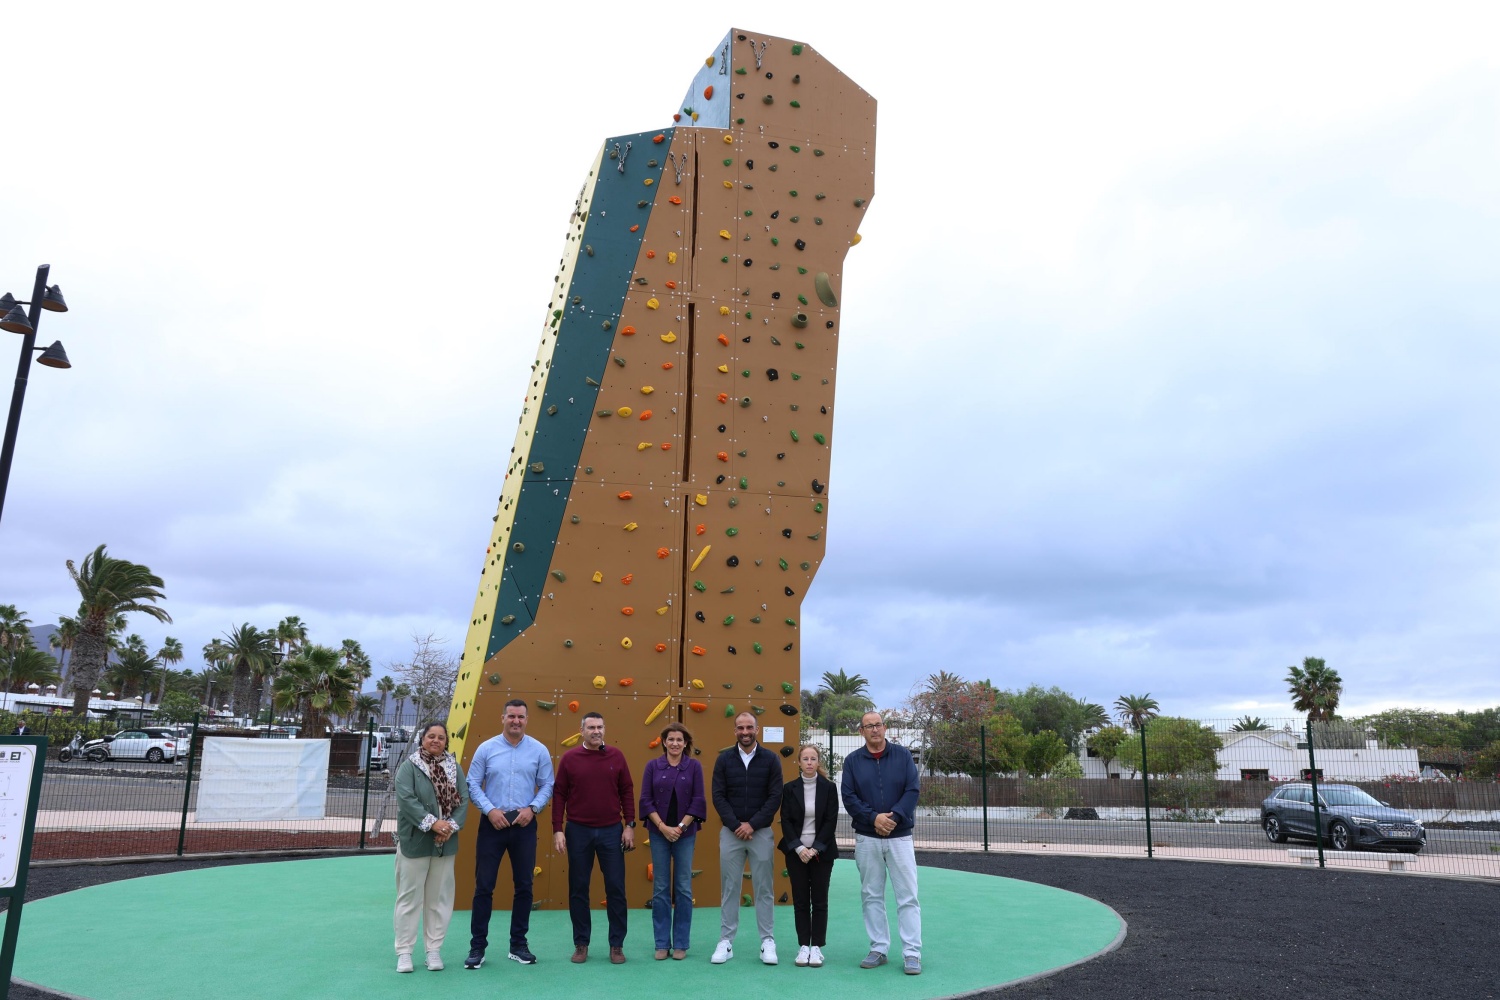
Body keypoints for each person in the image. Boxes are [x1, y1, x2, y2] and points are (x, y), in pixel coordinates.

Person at [464, 698, 555, 970]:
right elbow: (472, 783)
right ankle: (477, 948)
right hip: (492, 824)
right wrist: (490, 810)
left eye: (521, 717)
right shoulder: (486, 748)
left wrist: (533, 808)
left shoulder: (539, 750)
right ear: (502, 717)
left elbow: (548, 783)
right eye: (511, 716)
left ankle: (518, 945)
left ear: (527, 720)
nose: (516, 721)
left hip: (524, 824)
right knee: (484, 887)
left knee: (524, 887)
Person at [842, 711, 923, 975]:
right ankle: (878, 948)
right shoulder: (852, 761)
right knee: (871, 895)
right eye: (869, 726)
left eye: (877, 725)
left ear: (885, 728)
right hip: (867, 837)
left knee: (907, 896)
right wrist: (873, 818)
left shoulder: (903, 756)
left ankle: (912, 953)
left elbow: (912, 789)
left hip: (900, 837)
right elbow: (849, 796)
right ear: (861, 731)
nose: (874, 730)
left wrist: (895, 817)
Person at [552, 711, 635, 964]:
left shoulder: (616, 757)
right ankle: (581, 943)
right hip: (578, 831)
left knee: (616, 889)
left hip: (611, 831)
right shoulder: (569, 759)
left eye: (600, 726)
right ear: (582, 730)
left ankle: (617, 945)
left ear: (604, 729)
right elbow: (559, 795)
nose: (596, 731)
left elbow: (627, 791)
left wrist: (629, 825)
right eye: (591, 727)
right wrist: (558, 829)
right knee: (578, 889)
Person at [709, 711, 784, 965]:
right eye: (740, 727)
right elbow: (718, 796)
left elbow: (775, 797)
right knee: (730, 888)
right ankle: (726, 941)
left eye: (749, 727)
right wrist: (735, 825)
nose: (745, 732)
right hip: (731, 833)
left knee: (764, 888)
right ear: (734, 731)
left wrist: (752, 825)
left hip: (760, 832)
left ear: (757, 729)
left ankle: (767, 942)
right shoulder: (724, 760)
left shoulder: (771, 760)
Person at [393, 722, 468, 973]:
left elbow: (463, 801)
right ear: (422, 739)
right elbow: (407, 801)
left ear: (447, 742)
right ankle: (404, 952)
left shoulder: (453, 767)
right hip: (415, 841)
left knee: (438, 899)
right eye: (431, 736)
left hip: (444, 844)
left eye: (441, 737)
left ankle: (433, 950)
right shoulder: (409, 767)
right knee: (409, 899)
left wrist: (449, 827)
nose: (436, 741)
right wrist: (433, 824)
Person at [639, 722, 707, 960]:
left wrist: (679, 827)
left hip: (685, 834)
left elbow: (698, 800)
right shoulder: (652, 766)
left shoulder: (694, 767)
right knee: (660, 888)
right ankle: (661, 943)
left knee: (683, 888)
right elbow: (645, 801)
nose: (675, 743)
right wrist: (663, 827)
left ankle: (680, 944)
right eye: (671, 739)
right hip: (658, 833)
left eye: (680, 740)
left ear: (685, 743)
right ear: (664, 742)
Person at [779, 743, 840, 968]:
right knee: (801, 901)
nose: (809, 763)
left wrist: (815, 848)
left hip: (821, 853)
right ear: (799, 762)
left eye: (813, 759)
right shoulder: (790, 788)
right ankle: (804, 945)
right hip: (796, 854)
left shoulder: (829, 788)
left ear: (818, 762)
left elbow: (830, 821)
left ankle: (817, 948)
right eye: (805, 759)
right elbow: (785, 820)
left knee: (820, 901)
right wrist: (799, 848)